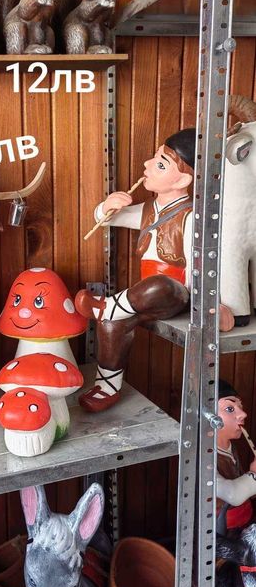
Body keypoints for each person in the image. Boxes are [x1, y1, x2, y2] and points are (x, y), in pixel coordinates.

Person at [76, 129, 234, 412]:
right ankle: (107, 386)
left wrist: (207, 303)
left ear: (183, 180)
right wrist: (107, 207)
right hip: (142, 297)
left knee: (160, 285)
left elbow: (200, 267)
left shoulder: (192, 216)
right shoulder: (148, 208)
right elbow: (107, 219)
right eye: (154, 158)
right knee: (112, 324)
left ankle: (106, 306)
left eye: (161, 164)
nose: (147, 164)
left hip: (175, 295)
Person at [216, 380, 256, 532]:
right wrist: (254, 474)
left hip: (245, 522)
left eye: (240, 406)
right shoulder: (202, 455)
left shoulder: (230, 446)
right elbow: (233, 495)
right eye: (230, 409)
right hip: (220, 531)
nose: (243, 414)